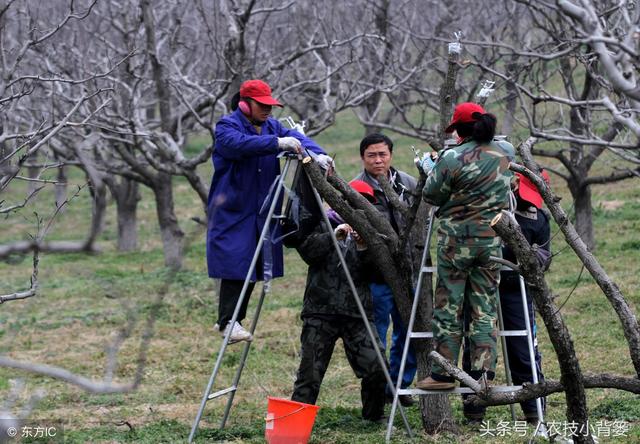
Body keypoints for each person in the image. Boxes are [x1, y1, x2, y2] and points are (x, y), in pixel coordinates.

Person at [206, 79, 330, 343]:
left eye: (269, 105)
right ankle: (227, 321)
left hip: (262, 208)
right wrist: (277, 143)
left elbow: (298, 138)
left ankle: (233, 321)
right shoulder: (227, 126)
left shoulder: (271, 126)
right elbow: (238, 144)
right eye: (261, 105)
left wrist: (319, 154)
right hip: (234, 209)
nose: (267, 110)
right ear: (244, 103)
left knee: (253, 265)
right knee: (235, 263)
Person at [415, 102, 514, 390]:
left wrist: (430, 168)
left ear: (458, 130)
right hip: (491, 240)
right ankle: (484, 374)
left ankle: (444, 373)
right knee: (484, 307)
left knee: (449, 306)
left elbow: (432, 195)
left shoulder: (450, 158)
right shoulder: (505, 152)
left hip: (455, 244)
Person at [290, 180, 387, 422]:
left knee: (377, 367)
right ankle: (296, 422)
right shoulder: (320, 222)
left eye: (365, 203)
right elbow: (308, 252)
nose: (358, 209)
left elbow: (379, 274)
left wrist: (365, 248)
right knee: (310, 372)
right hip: (320, 311)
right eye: (352, 202)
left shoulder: (371, 231)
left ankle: (373, 418)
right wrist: (334, 236)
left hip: (358, 314)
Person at [462, 169, 551, 423]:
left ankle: (534, 409)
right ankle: (474, 408)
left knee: (524, 350)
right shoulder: (491, 207)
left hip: (517, 289)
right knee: (480, 346)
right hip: (483, 285)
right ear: (514, 186)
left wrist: (531, 258)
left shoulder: (540, 218)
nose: (527, 201)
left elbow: (544, 256)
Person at [352, 133, 418, 407]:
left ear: (391, 154)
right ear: (362, 157)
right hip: (374, 275)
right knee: (377, 333)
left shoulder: (408, 183)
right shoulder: (355, 188)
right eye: (372, 155)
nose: (378, 160)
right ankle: (376, 391)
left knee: (409, 332)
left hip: (408, 274)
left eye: (383, 154)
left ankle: (399, 387)